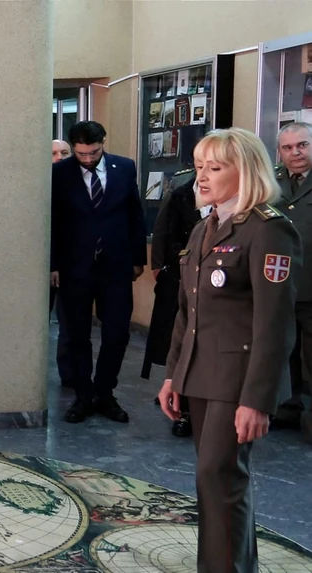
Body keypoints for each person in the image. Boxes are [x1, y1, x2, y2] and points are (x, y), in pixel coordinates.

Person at [160, 127, 301, 572]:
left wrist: (257, 399)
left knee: (218, 477)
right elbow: (189, 311)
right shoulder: (206, 227)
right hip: (201, 373)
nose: (201, 177)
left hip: (238, 379)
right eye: (199, 166)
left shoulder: (268, 230)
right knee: (219, 483)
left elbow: (274, 324)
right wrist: (173, 373)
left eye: (215, 168)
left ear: (246, 172)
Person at [50, 121, 146, 424]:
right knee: (77, 335)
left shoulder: (125, 167)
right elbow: (51, 221)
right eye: (82, 154)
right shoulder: (59, 173)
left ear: (103, 142)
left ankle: (105, 393)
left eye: (94, 152)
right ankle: (83, 395)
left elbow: (134, 213)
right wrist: (53, 264)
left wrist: (138, 258)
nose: (88, 159)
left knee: (117, 333)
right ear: (73, 148)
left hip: (116, 266)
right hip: (74, 267)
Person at [143, 167, 208, 437]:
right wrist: (160, 266)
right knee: (179, 342)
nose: (206, 172)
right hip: (182, 278)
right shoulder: (183, 191)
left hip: (217, 289)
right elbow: (163, 230)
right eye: (202, 164)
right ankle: (183, 407)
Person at [272, 122, 312, 434]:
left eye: (302, 145)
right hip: (280, 284)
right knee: (285, 350)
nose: (295, 152)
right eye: (287, 147)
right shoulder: (272, 182)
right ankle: (288, 407)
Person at [49, 139, 75, 389]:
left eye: (64, 153)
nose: (59, 158)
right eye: (54, 153)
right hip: (43, 264)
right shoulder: (39, 187)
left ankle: (69, 375)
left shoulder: (77, 185)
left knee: (69, 322)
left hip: (70, 265)